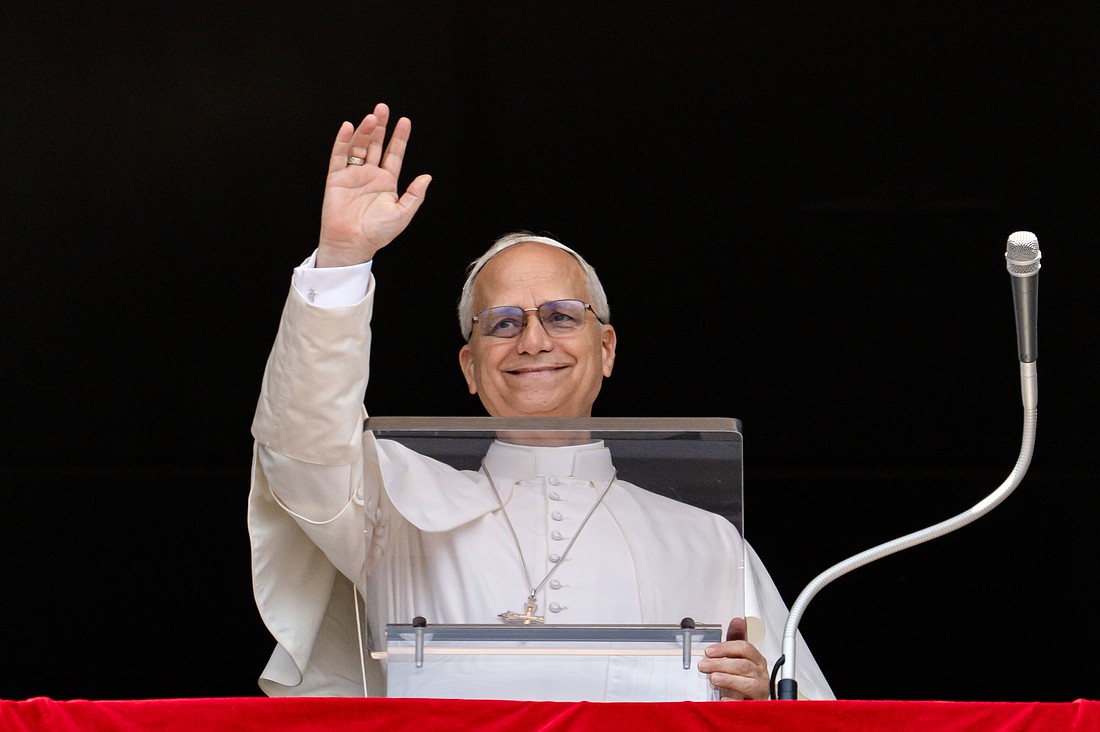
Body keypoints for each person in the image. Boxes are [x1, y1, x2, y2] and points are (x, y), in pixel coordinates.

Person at [248, 103, 833, 700]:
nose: (532, 341)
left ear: (605, 348)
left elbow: (816, 712)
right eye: (502, 323)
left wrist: (765, 703)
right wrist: (343, 260)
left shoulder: (708, 543)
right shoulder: (392, 511)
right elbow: (301, 451)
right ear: (469, 367)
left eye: (560, 316)